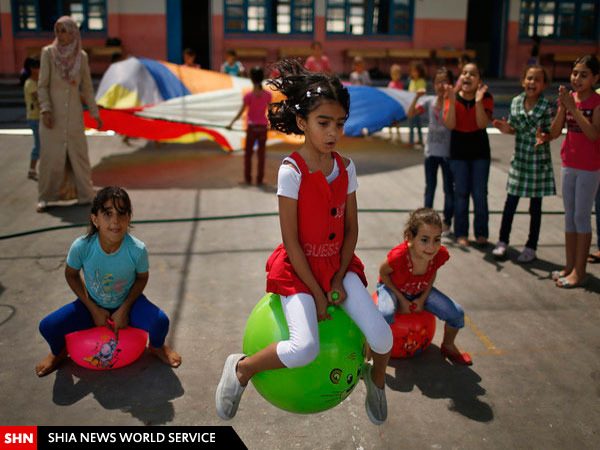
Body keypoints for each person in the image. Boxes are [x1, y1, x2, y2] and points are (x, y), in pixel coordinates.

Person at [216, 59, 393, 424]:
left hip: (338, 266)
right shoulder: (291, 170)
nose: (333, 132)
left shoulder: (346, 168)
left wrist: (340, 278)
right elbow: (291, 241)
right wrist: (315, 290)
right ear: (303, 123)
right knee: (304, 347)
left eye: (339, 124)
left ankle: (375, 382)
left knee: (384, 338)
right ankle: (242, 369)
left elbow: (351, 230)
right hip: (299, 270)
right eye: (323, 123)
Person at [35, 187, 182, 377]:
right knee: (48, 326)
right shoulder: (82, 247)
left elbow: (142, 277)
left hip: (128, 302)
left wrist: (125, 308)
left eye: (122, 213)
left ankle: (156, 347)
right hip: (92, 304)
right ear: (95, 219)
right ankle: (59, 352)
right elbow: (71, 274)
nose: (115, 220)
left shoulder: (137, 249)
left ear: (129, 217)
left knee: (160, 322)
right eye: (107, 213)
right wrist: (93, 308)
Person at [376, 208, 471, 365]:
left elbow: (432, 273)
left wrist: (422, 299)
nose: (431, 247)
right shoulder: (399, 256)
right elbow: (383, 273)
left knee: (457, 313)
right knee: (384, 314)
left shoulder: (439, 255)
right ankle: (371, 354)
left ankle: (448, 345)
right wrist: (401, 299)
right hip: (392, 288)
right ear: (410, 237)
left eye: (437, 239)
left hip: (418, 290)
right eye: (424, 240)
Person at [539, 55, 600, 288]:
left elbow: (594, 134)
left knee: (581, 217)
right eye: (575, 73)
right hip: (568, 163)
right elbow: (555, 132)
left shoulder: (596, 103)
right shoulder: (568, 99)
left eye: (584, 75)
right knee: (570, 217)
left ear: (595, 78)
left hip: (589, 167)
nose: (577, 79)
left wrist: (573, 108)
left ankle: (579, 271)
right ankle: (569, 265)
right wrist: (563, 108)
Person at [37, 16, 102, 213]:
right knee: (51, 156)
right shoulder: (48, 53)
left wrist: (94, 113)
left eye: (64, 31)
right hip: (52, 115)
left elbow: (88, 88)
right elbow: (42, 85)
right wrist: (45, 109)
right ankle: (45, 197)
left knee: (78, 154)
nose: (60, 35)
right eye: (57, 31)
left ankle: (85, 194)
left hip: (74, 115)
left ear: (73, 32)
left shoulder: (81, 57)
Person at [492, 65, 556, 262]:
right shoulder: (516, 102)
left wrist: (544, 137)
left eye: (537, 79)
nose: (532, 83)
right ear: (523, 81)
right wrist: (506, 129)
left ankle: (531, 246)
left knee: (535, 208)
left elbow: (551, 133)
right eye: (529, 78)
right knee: (510, 204)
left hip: (537, 163)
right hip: (520, 161)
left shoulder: (546, 106)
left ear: (544, 85)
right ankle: (502, 242)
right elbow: (514, 129)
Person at [443, 61, 494, 247]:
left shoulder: (486, 97)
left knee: (480, 194)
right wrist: (451, 98)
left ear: (479, 79)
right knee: (461, 193)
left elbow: (482, 123)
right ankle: (461, 233)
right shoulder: (452, 97)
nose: (467, 77)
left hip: (480, 153)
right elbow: (449, 124)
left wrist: (478, 101)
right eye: (464, 73)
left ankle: (481, 233)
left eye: (472, 74)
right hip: (458, 153)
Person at [406, 68, 455, 237]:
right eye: (438, 82)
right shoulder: (429, 102)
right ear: (433, 84)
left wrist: (452, 98)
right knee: (430, 188)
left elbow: (453, 124)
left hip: (448, 153)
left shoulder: (453, 102)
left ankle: (447, 222)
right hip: (431, 152)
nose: (441, 85)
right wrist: (417, 97)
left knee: (449, 189)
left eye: (445, 81)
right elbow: (410, 113)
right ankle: (426, 222)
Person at [227, 66, 272, 185]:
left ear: (251, 79)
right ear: (262, 79)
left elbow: (241, 112)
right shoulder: (268, 95)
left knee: (248, 155)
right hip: (263, 127)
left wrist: (230, 124)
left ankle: (247, 178)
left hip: (251, 128)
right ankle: (260, 179)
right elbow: (270, 112)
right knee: (261, 155)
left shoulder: (248, 96)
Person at [20, 56, 41, 181]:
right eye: (37, 67)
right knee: (39, 145)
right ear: (32, 69)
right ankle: (32, 170)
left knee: (41, 145)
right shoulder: (30, 83)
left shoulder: (36, 82)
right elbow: (40, 99)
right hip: (35, 117)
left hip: (38, 117)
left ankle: (34, 170)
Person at [407, 60, 427, 146]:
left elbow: (422, 92)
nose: (413, 73)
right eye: (411, 71)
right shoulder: (411, 82)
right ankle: (412, 140)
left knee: (417, 124)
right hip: (412, 105)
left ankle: (418, 140)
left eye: (414, 71)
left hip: (418, 106)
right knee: (412, 124)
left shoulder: (421, 81)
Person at [387, 64, 404, 141]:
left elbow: (401, 94)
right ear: (391, 75)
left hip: (397, 105)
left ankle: (398, 135)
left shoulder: (400, 84)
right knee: (390, 122)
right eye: (394, 74)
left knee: (396, 122)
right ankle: (390, 135)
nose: (395, 76)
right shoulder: (390, 84)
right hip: (391, 106)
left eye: (397, 74)